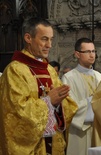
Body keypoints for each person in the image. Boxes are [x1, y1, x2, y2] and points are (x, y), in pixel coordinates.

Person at [0, 17, 78, 155]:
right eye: (44, 39)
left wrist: (59, 104)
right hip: (32, 148)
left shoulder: (49, 70)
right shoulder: (15, 70)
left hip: (53, 145)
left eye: (51, 39)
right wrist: (48, 102)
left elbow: (67, 108)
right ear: (28, 38)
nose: (49, 45)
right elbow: (15, 114)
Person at [61, 38, 101, 155]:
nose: (92, 55)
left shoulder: (100, 77)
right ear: (77, 54)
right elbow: (69, 107)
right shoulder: (68, 78)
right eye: (87, 52)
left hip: (98, 129)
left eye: (93, 51)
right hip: (78, 131)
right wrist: (94, 101)